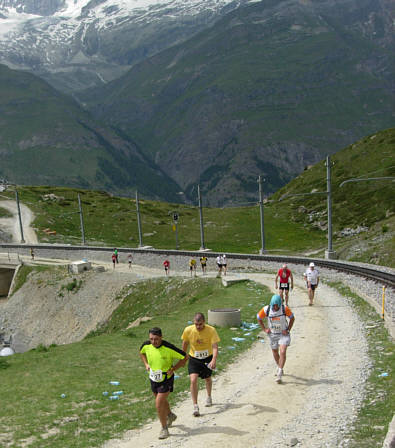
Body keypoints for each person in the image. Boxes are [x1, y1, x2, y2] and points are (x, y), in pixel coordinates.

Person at [139, 327, 187, 440]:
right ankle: (170, 415)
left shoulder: (168, 347)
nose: (153, 342)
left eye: (156, 339)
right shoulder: (146, 345)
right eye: (151, 339)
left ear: (161, 337)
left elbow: (185, 357)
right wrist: (146, 364)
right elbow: (141, 352)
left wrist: (174, 368)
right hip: (153, 378)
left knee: (158, 403)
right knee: (161, 400)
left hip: (166, 379)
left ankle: (164, 428)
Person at [181, 312, 220, 416]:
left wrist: (214, 360)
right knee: (193, 380)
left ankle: (209, 396)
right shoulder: (188, 330)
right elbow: (185, 343)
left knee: (207, 378)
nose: (198, 326)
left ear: (204, 322)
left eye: (200, 324)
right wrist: (183, 358)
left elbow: (215, 346)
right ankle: (195, 406)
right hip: (194, 358)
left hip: (207, 358)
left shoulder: (211, 330)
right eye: (196, 324)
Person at [257, 294, 295, 383]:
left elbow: (292, 318)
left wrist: (288, 329)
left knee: (282, 351)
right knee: (275, 352)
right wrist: (264, 329)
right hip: (273, 334)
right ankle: (279, 366)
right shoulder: (267, 309)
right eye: (273, 305)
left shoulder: (284, 309)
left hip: (283, 334)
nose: (275, 307)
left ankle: (280, 372)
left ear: (279, 304)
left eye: (276, 305)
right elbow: (258, 317)